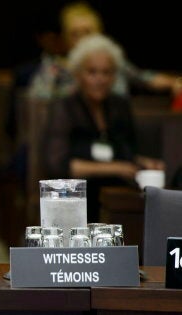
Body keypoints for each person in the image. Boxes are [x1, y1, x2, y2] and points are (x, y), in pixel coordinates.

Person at [44, 34, 164, 221]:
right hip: (73, 197)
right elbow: (58, 165)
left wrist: (145, 163)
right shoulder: (64, 107)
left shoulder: (119, 106)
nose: (100, 79)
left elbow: (126, 153)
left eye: (106, 72)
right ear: (78, 74)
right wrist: (115, 168)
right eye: (92, 72)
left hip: (116, 194)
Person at [27, 1, 180, 105]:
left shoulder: (112, 61)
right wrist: (77, 90)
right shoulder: (55, 66)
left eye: (87, 32)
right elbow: (38, 99)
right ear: (66, 38)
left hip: (117, 130)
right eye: (75, 34)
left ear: (99, 33)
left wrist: (175, 82)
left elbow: (143, 78)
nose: (82, 40)